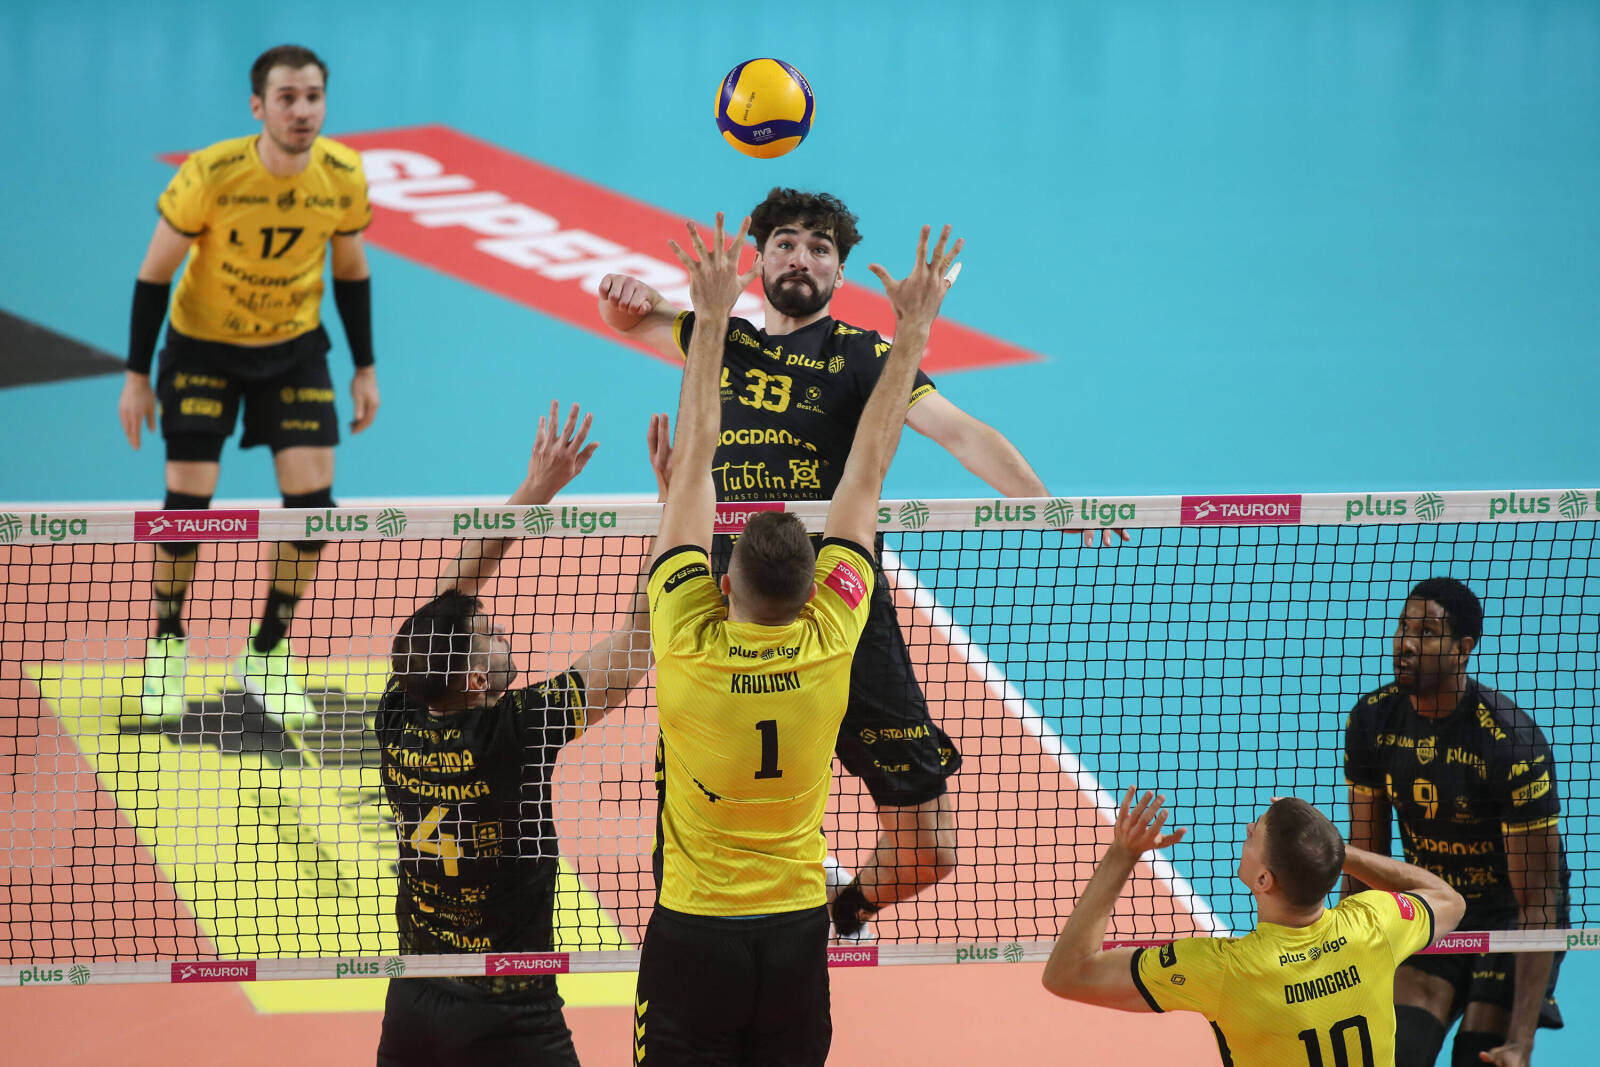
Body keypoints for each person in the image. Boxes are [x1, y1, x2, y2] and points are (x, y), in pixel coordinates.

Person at [599, 187, 1108, 940]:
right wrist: (623, 294)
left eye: (820, 248)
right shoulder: (719, 337)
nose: (800, 257)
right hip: (728, 605)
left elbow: (961, 431)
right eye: (785, 243)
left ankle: (844, 910)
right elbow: (632, 320)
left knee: (929, 850)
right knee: (710, 813)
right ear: (760, 260)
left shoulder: (861, 355)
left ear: (839, 273)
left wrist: (1046, 503)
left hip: (841, 602)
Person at [634, 212, 960, 1065]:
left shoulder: (686, 643)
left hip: (695, 929)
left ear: (721, 582)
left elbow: (696, 462)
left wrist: (710, 319)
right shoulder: (834, 639)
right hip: (791, 938)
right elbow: (866, 473)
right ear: (818, 590)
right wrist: (914, 332)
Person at [374, 400, 655, 1066]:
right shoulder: (515, 731)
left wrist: (535, 490)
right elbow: (640, 641)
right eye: (490, 635)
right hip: (512, 1005)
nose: (501, 631)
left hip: (415, 997)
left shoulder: (399, 712)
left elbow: (448, 606)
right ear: (475, 678)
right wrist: (672, 507)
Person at [117, 44, 379, 730]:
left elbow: (351, 270)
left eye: (313, 96)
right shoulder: (211, 173)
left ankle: (267, 649)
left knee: (313, 506)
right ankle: (167, 642)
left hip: (292, 350)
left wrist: (365, 367)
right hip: (202, 348)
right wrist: (136, 376)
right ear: (258, 106)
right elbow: (154, 274)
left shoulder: (342, 174)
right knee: (187, 501)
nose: (302, 110)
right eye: (287, 98)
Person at [1042, 789, 1465, 1067]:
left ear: (1264, 880)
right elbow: (1449, 899)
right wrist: (1337, 852)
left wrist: (1122, 855)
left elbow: (1067, 974)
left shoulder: (1225, 970)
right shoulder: (1373, 925)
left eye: (1254, 834)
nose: (1248, 828)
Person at [1344, 578, 1570, 1066]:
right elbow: (1363, 864)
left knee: (1479, 1057)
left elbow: (1537, 903)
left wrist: (1521, 1043)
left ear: (1463, 649)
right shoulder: (1372, 721)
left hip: (1510, 920)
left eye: (1426, 632)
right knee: (1398, 1055)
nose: (1406, 643)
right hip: (1434, 904)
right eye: (1404, 627)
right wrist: (1346, 979)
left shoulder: (1511, 745)